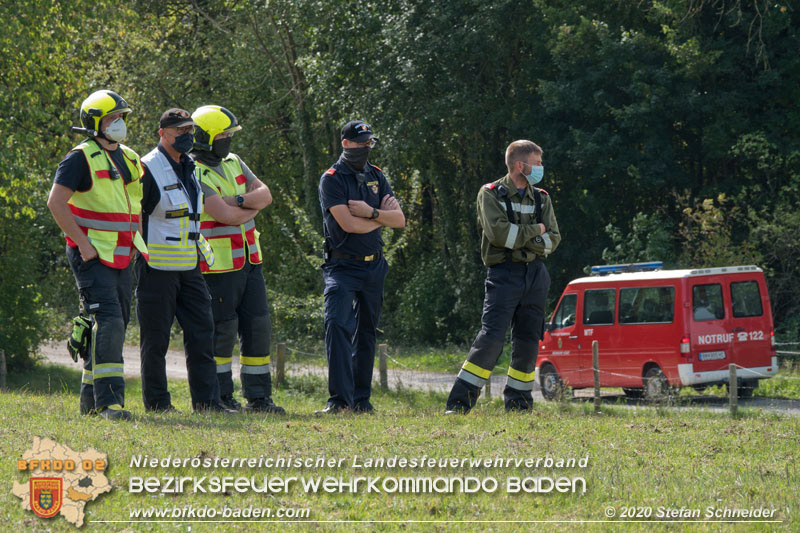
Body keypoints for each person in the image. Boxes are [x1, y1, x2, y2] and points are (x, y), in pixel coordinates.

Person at [47, 89, 146, 420]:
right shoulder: (79, 157)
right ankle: (109, 403)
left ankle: (90, 402)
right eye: (112, 118)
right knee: (110, 323)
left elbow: (136, 205)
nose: (119, 123)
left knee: (113, 324)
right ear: (95, 123)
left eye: (121, 117)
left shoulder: (130, 157)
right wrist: (82, 244)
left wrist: (137, 241)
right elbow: (56, 203)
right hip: (91, 255)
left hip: (121, 255)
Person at [445, 140, 561, 414]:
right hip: (503, 274)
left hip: (535, 275)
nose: (541, 168)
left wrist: (522, 237)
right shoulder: (490, 194)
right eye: (537, 162)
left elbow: (553, 240)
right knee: (492, 339)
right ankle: (459, 404)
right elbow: (499, 236)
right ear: (521, 165)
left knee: (528, 341)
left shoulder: (542, 197)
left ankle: (519, 406)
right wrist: (537, 230)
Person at [136, 108, 233, 414]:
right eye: (180, 131)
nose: (187, 135)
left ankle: (207, 403)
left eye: (190, 129)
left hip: (189, 265)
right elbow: (136, 216)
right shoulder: (147, 168)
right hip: (157, 268)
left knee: (202, 334)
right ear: (162, 133)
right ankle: (158, 404)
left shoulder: (189, 165)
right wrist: (141, 254)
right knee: (156, 341)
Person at [191, 105, 284, 413]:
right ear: (206, 138)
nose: (229, 141)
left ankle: (259, 398)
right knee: (222, 332)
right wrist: (246, 206)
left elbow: (266, 195)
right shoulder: (194, 170)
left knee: (258, 328)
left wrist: (240, 201)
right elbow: (225, 215)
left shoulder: (234, 162)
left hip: (249, 260)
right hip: (217, 266)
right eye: (224, 135)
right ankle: (220, 397)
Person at [316, 120, 406, 414]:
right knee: (338, 326)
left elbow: (400, 221)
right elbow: (348, 224)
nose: (365, 148)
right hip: (342, 266)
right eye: (360, 143)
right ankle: (339, 401)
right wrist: (382, 217)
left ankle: (361, 401)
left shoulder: (377, 175)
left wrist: (371, 212)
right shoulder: (332, 178)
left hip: (373, 266)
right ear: (345, 144)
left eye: (369, 142)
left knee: (367, 332)